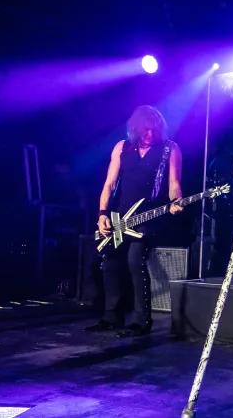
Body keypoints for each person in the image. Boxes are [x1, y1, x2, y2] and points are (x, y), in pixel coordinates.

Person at [89, 105, 183, 338]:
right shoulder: (122, 148)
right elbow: (109, 184)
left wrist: (176, 202)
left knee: (134, 261)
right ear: (136, 129)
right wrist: (102, 214)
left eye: (154, 130)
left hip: (147, 216)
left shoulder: (169, 149)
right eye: (145, 130)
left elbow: (174, 184)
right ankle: (111, 316)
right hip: (119, 216)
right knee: (110, 263)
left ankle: (141, 320)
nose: (150, 135)